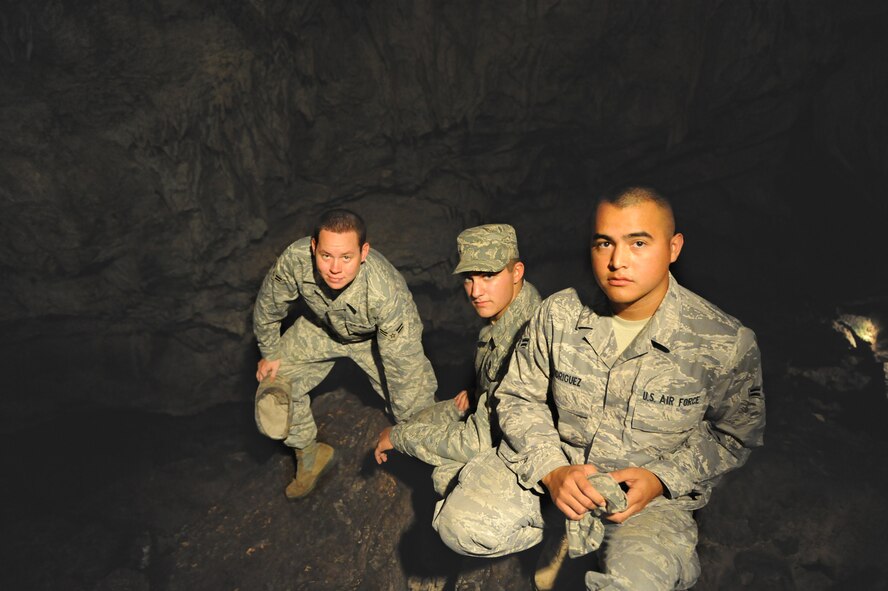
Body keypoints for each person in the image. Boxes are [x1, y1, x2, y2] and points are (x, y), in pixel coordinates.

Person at [434, 187, 765, 591]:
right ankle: (559, 535)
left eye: (638, 242)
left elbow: (734, 435)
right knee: (460, 528)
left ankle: (603, 546)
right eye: (604, 243)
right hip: (558, 472)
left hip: (645, 503)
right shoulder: (559, 315)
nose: (617, 261)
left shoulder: (724, 341)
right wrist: (551, 470)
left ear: (673, 248)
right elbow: (520, 396)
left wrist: (663, 478)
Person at [252, 208, 437, 499]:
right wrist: (270, 351)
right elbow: (269, 305)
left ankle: (434, 477)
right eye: (326, 256)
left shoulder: (386, 294)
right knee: (276, 388)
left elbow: (405, 368)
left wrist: (404, 429)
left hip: (372, 342)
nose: (335, 268)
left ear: (364, 252)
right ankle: (311, 455)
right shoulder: (295, 259)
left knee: (415, 407)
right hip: (320, 328)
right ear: (313, 247)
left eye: (346, 257)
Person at [373, 223, 542, 499]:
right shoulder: (513, 305)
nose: (475, 291)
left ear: (517, 272)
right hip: (492, 417)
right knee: (416, 420)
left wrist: (398, 438)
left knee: (446, 479)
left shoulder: (522, 340)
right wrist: (481, 393)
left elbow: (476, 442)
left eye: (488, 276)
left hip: (526, 453)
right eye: (469, 278)